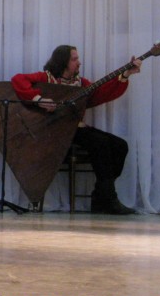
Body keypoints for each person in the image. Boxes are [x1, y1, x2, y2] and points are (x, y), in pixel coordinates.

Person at [11, 45, 142, 215]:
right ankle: (107, 199)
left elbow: (102, 93)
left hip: (76, 130)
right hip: (54, 133)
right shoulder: (46, 78)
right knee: (100, 143)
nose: (79, 63)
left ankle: (102, 196)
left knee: (120, 145)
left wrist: (125, 74)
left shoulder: (81, 84)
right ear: (62, 61)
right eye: (74, 59)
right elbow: (18, 79)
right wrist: (38, 99)